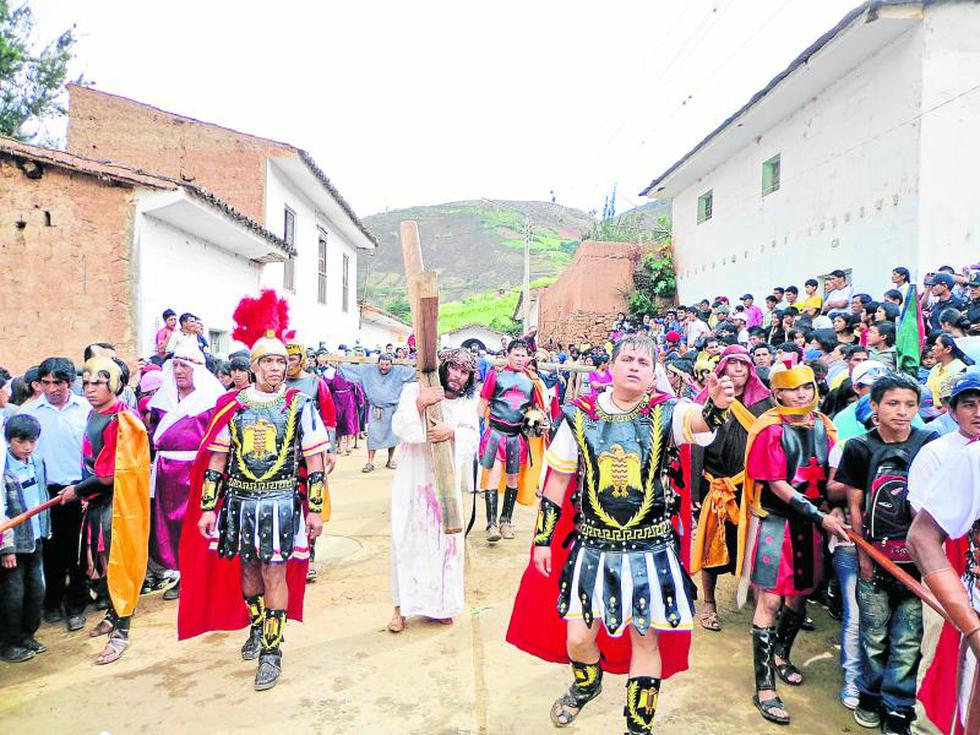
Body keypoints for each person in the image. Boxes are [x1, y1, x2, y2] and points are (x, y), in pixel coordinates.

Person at [506, 335, 735, 735]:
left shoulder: (667, 412)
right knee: (577, 638)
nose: (634, 366)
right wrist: (542, 538)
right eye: (626, 359)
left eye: (643, 362)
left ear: (653, 373)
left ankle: (637, 727)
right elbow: (558, 482)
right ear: (610, 367)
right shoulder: (579, 416)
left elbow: (700, 422)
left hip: (650, 550)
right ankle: (587, 681)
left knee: (645, 640)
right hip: (593, 547)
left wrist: (716, 406)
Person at [178, 289, 331, 691]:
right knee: (248, 574)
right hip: (241, 502)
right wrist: (208, 509)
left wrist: (315, 510)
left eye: (282, 361)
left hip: (282, 501)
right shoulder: (234, 406)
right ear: (255, 365)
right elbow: (216, 461)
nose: (276, 368)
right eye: (268, 361)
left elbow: (314, 461)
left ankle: (272, 651)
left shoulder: (299, 404)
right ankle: (259, 624)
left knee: (274, 571)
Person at [736, 357, 849, 725]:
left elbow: (833, 474)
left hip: (813, 526)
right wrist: (821, 516)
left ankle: (782, 655)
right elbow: (776, 484)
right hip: (778, 525)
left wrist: (834, 509)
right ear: (777, 392)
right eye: (791, 388)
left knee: (800, 596)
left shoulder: (826, 427)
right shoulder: (769, 429)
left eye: (806, 387)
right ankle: (764, 685)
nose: (801, 394)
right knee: (769, 600)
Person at [837, 373, 937, 734]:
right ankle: (870, 696)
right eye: (893, 403)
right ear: (874, 406)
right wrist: (863, 558)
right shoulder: (859, 448)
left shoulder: (929, 443)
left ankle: (898, 705)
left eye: (910, 404)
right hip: (875, 558)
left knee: (909, 637)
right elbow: (855, 507)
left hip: (917, 563)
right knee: (873, 635)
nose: (902, 411)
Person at [58, 356, 151, 665]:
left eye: (97, 383)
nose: (90, 389)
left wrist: (77, 490)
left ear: (114, 384)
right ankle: (112, 614)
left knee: (118, 565)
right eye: (85, 383)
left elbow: (111, 475)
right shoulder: (94, 415)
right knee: (102, 564)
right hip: (96, 502)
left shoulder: (122, 421)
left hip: (117, 505)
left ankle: (121, 632)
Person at [907, 373, 980, 735]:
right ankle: (923, 726)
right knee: (938, 653)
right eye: (969, 404)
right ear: (952, 410)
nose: (979, 413)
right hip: (952, 570)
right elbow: (924, 532)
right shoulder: (939, 453)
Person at [386, 348, 479, 633]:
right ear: (442, 367)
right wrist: (420, 403)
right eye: (452, 368)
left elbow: (473, 435)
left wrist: (452, 433)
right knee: (406, 539)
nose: (457, 376)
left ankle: (440, 606)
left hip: (445, 485)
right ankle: (400, 609)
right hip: (413, 481)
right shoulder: (414, 389)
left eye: (464, 372)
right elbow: (401, 427)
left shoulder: (466, 402)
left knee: (445, 545)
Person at [690, 346, 774, 633]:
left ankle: (756, 594)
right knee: (715, 543)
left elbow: (771, 443)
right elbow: (695, 446)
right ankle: (709, 603)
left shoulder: (764, 404)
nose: (738, 369)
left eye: (744, 364)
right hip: (716, 484)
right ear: (723, 368)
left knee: (754, 542)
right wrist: (695, 494)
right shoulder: (706, 400)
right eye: (733, 363)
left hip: (751, 486)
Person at [145, 344, 225, 601]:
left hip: (197, 470)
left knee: (198, 524)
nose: (179, 371)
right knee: (171, 526)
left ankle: (200, 576)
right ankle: (183, 574)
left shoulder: (212, 401)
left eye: (185, 366)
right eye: (175, 366)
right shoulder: (162, 401)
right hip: (166, 471)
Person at [18, 357, 90, 632]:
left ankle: (76, 607)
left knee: (78, 552)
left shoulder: (85, 410)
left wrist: (87, 490)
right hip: (43, 493)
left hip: (79, 489)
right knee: (50, 551)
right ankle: (52, 603)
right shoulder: (30, 412)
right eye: (45, 382)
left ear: (69, 382)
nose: (51, 389)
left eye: (57, 382)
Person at [477, 339, 547, 543]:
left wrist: (540, 423)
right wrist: (475, 429)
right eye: (516, 354)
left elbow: (537, 409)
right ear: (507, 355)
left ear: (528, 357)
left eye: (523, 355)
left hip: (517, 436)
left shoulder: (532, 381)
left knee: (513, 480)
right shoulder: (495, 375)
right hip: (496, 434)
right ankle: (491, 525)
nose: (519, 358)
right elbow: (483, 404)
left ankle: (506, 521)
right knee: (493, 477)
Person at [1, 414, 50, 663]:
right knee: (12, 595)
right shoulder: (3, 469)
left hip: (36, 537)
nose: (28, 447)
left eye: (32, 441)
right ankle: (8, 643)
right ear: (9, 440)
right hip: (13, 544)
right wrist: (6, 547)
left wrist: (45, 528)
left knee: (36, 590)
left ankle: (27, 635)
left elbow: (42, 495)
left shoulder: (36, 462)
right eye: (22, 441)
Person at [340, 354, 416, 473]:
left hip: (392, 409)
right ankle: (370, 462)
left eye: (387, 364)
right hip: (376, 410)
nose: (384, 367)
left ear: (392, 364)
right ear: (377, 363)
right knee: (373, 436)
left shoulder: (399, 371)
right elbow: (351, 369)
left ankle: (390, 460)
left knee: (393, 436)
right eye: (381, 364)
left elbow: (416, 372)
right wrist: (339, 364)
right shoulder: (368, 370)